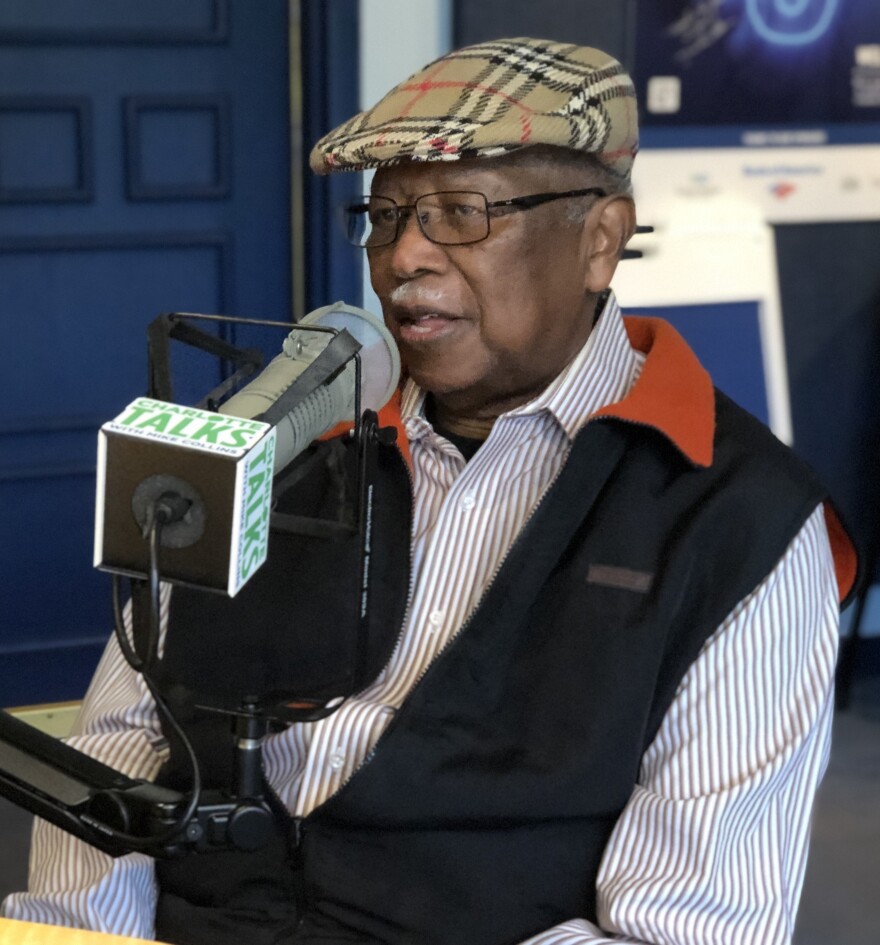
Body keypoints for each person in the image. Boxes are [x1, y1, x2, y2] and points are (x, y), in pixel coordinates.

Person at [3, 37, 858, 945]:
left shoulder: (741, 523)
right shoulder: (283, 437)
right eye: (386, 214)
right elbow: (123, 741)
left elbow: (685, 927)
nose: (404, 255)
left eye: (462, 212)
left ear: (600, 240)